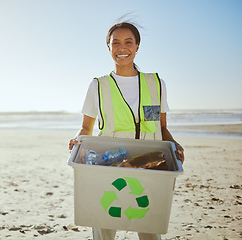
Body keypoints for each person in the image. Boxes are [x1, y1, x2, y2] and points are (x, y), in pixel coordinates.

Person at [68, 21, 185, 240]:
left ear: (137, 46)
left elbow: (162, 128)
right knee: (105, 226)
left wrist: (174, 145)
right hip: (110, 165)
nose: (122, 48)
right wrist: (76, 140)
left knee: (150, 227)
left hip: (149, 166)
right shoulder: (98, 86)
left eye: (128, 42)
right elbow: (86, 127)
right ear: (109, 48)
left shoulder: (156, 83)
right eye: (116, 43)